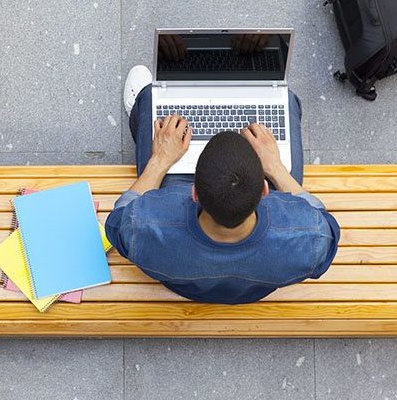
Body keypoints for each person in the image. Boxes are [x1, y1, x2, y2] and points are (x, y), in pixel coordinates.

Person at [105, 66, 340, 304]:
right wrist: (276, 168)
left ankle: (142, 106)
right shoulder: (311, 237)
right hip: (255, 288)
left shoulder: (144, 227)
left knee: (148, 101)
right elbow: (323, 222)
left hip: (185, 284)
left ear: (194, 192)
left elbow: (118, 222)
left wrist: (161, 159)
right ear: (265, 191)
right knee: (287, 100)